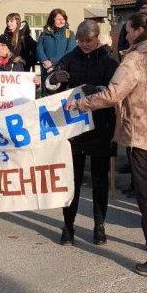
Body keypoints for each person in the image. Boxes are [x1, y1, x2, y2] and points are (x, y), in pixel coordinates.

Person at [68, 13, 147, 279]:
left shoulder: (135, 60)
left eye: (128, 30)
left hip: (142, 135)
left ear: (140, 31)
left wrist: (79, 104)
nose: (125, 34)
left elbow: (112, 93)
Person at [45, 20, 119, 246]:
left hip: (100, 124)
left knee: (99, 179)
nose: (85, 45)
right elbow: (48, 83)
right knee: (72, 179)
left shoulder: (108, 59)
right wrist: (53, 80)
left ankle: (99, 224)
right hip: (75, 126)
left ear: (98, 38)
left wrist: (97, 90)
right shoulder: (71, 56)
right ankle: (68, 226)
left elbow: (117, 89)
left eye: (89, 41)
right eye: (81, 41)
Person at [37, 8, 76, 92]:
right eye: (59, 19)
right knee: (47, 97)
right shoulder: (45, 33)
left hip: (62, 71)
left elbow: (70, 51)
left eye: (63, 19)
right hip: (46, 70)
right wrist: (44, 61)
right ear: (52, 20)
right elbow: (39, 50)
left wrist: (52, 62)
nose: (62, 21)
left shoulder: (69, 34)